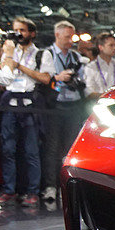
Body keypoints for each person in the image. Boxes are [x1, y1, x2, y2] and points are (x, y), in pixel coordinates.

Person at [0, 17, 55, 207]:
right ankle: (9, 190)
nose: (18, 34)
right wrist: (8, 58)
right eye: (15, 30)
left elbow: (45, 79)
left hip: (30, 103)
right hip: (9, 103)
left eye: (22, 30)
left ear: (32, 33)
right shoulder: (9, 52)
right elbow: (3, 77)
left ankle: (32, 191)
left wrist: (20, 66)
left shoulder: (42, 54)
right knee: (8, 149)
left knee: (31, 150)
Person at [39, 21, 89, 203]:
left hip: (74, 104)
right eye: (67, 37)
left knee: (70, 149)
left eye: (72, 37)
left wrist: (76, 79)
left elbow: (83, 79)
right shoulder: (48, 54)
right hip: (55, 105)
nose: (70, 40)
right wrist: (59, 78)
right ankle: (50, 186)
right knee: (52, 147)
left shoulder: (76, 56)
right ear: (57, 35)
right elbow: (45, 77)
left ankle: (67, 187)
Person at [84, 32, 115, 98]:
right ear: (101, 47)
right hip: (98, 102)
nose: (114, 48)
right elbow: (89, 91)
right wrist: (106, 97)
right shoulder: (90, 67)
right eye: (111, 45)